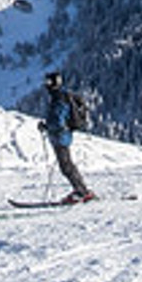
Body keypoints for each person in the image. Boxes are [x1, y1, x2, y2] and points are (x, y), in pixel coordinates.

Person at [40, 70, 95, 203]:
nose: (46, 85)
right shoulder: (60, 96)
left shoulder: (59, 98)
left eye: (48, 82)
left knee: (66, 166)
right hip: (61, 136)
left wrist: (47, 127)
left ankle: (82, 191)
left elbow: (58, 119)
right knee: (67, 165)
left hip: (61, 136)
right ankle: (82, 190)